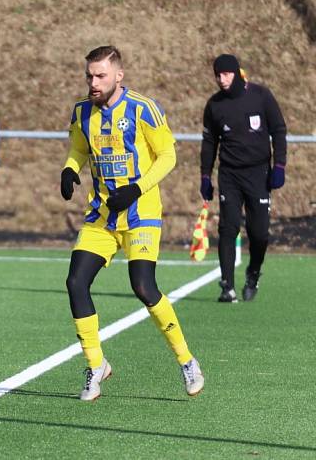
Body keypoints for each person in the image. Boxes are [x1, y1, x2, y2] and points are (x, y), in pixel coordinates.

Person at [59, 46, 204, 401]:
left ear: (118, 76)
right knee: (76, 281)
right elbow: (80, 148)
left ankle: (187, 361)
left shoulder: (142, 108)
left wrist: (137, 188)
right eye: (89, 75)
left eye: (101, 76)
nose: (93, 82)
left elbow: (169, 154)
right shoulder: (82, 112)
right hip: (103, 216)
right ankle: (96, 365)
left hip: (141, 213)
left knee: (143, 286)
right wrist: (69, 169)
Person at [200, 54, 287, 303]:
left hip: (258, 172)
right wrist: (205, 176)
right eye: (218, 75)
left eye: (226, 74)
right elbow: (209, 143)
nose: (222, 79)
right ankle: (227, 286)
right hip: (229, 173)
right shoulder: (215, 105)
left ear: (237, 73)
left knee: (259, 233)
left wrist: (279, 166)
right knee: (228, 228)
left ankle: (253, 273)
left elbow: (279, 130)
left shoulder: (261, 96)